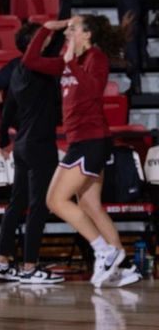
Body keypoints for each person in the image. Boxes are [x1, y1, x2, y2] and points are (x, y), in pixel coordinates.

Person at [28, 15, 141, 288]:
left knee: (55, 200)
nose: (68, 32)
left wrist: (70, 65)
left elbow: (92, 91)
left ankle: (104, 251)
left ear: (87, 35)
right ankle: (122, 267)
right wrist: (46, 29)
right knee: (90, 205)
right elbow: (30, 61)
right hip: (83, 140)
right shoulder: (69, 61)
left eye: (73, 29)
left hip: (91, 140)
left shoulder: (95, 58)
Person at [0, 17, 64, 286]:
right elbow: (58, 38)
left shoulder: (19, 70)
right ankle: (30, 266)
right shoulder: (40, 67)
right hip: (40, 145)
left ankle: (2, 262)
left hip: (21, 144)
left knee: (16, 204)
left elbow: (7, 110)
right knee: (37, 207)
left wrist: (2, 141)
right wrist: (64, 5)